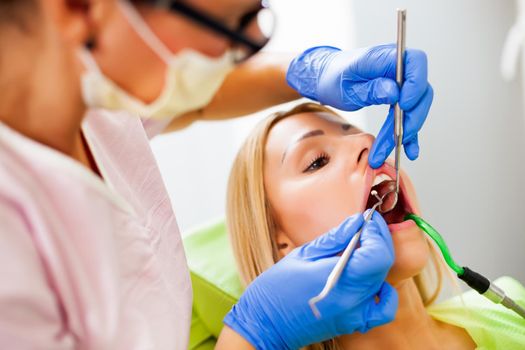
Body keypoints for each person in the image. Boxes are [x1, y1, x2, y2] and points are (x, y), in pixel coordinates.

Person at [0, 1, 433, 349]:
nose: (363, 143)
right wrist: (255, 333)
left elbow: (193, 94)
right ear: (79, 8)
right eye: (230, 24)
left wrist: (306, 71)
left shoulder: (92, 89)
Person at [226, 102, 525, 349]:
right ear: (283, 249)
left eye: (356, 132)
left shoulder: (508, 308)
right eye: (317, 161)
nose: (367, 140)